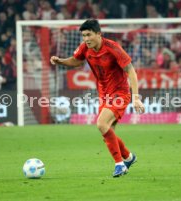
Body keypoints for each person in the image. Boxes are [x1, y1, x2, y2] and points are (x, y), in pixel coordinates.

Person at [50, 19, 145, 177]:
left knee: (101, 124)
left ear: (99, 34)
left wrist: (136, 98)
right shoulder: (85, 48)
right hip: (104, 94)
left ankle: (119, 165)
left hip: (120, 93)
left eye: (89, 35)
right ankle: (128, 157)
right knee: (107, 134)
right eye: (83, 36)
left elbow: (131, 71)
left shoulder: (113, 48)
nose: (86, 39)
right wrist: (61, 61)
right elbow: (76, 60)